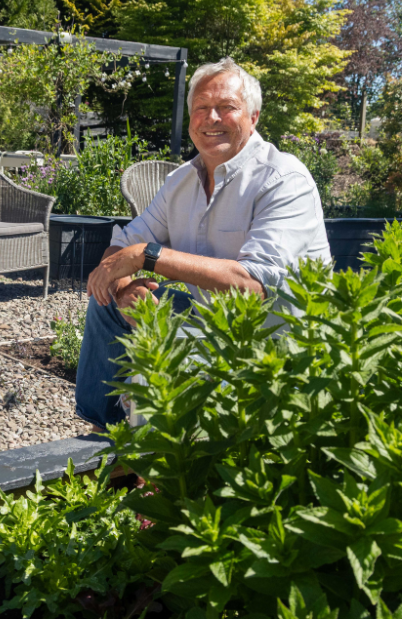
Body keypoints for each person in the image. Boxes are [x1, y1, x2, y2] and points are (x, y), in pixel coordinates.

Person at [75, 57, 332, 431]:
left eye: (226, 107)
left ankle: (155, 467)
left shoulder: (283, 179)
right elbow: (119, 250)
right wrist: (123, 287)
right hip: (211, 325)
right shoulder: (181, 181)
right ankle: (103, 440)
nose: (211, 118)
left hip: (274, 344)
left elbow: (253, 287)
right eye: (201, 108)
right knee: (108, 305)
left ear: (254, 117)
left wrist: (149, 257)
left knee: (159, 337)